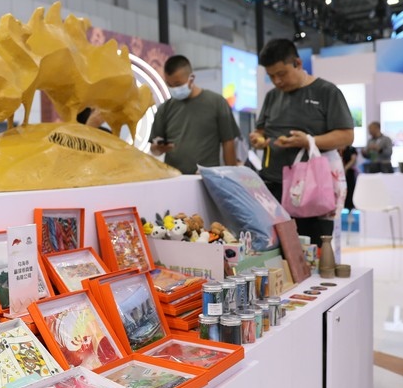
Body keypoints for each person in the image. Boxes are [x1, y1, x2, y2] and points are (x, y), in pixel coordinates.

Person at [248, 39, 353, 244]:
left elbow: (346, 136)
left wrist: (309, 141)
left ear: (297, 63)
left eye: (282, 74)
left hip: (311, 190)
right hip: (273, 187)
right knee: (276, 251)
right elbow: (260, 131)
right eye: (271, 76)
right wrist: (258, 139)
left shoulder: (326, 91)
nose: (277, 81)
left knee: (313, 249)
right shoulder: (272, 96)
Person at [149, 55, 240, 173]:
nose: (174, 88)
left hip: (206, 177)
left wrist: (232, 175)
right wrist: (158, 148)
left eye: (177, 84)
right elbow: (154, 149)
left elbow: (228, 142)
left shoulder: (217, 103)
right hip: (174, 177)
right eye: (169, 85)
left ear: (191, 78)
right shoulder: (165, 109)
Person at [339, 145, 358, 211]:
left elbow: (353, 160)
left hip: (349, 173)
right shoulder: (337, 148)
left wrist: (345, 168)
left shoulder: (351, 149)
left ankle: (350, 208)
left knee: (350, 190)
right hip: (339, 172)